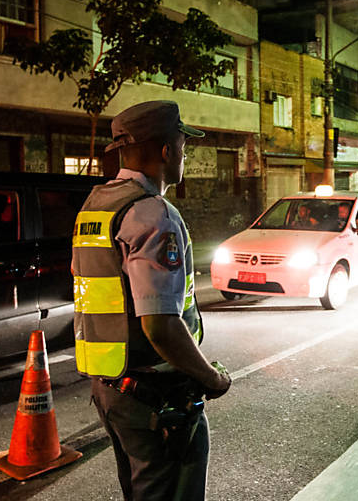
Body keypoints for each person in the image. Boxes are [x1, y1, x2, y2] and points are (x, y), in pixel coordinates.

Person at [73, 100, 231, 501]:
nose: (184, 154)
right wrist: (211, 378)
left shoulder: (96, 206)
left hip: (111, 387)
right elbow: (159, 324)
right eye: (183, 145)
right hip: (154, 394)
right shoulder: (152, 215)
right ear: (167, 151)